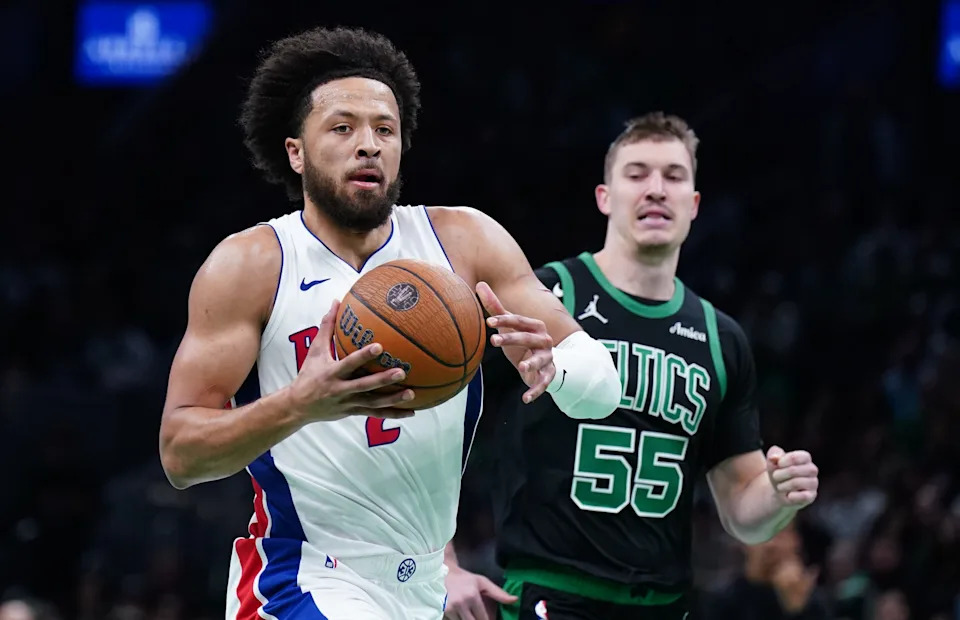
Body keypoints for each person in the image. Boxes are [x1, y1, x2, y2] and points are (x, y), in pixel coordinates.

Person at [157, 26, 621, 620]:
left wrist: (556, 370)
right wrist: (300, 403)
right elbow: (180, 456)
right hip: (301, 576)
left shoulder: (463, 241)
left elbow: (602, 391)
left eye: (385, 129)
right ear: (295, 151)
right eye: (343, 127)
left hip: (423, 581)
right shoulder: (252, 264)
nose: (369, 145)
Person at [448, 112, 820, 619]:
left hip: (664, 605)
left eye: (673, 176)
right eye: (637, 173)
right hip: (549, 594)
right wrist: (441, 561)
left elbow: (743, 515)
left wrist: (779, 496)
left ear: (694, 205)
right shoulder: (542, 294)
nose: (655, 189)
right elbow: (436, 417)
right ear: (605, 196)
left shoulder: (721, 338)